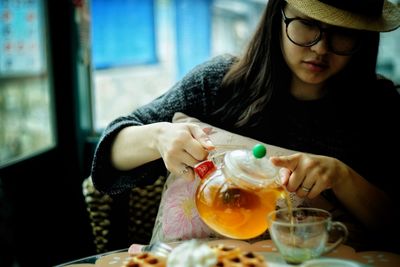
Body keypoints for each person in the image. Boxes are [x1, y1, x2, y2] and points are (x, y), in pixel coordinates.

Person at [91, 0, 400, 252]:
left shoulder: (379, 108)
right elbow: (109, 156)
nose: (321, 47)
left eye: (342, 32)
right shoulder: (218, 85)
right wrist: (158, 137)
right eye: (306, 24)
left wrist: (342, 176)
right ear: (277, 15)